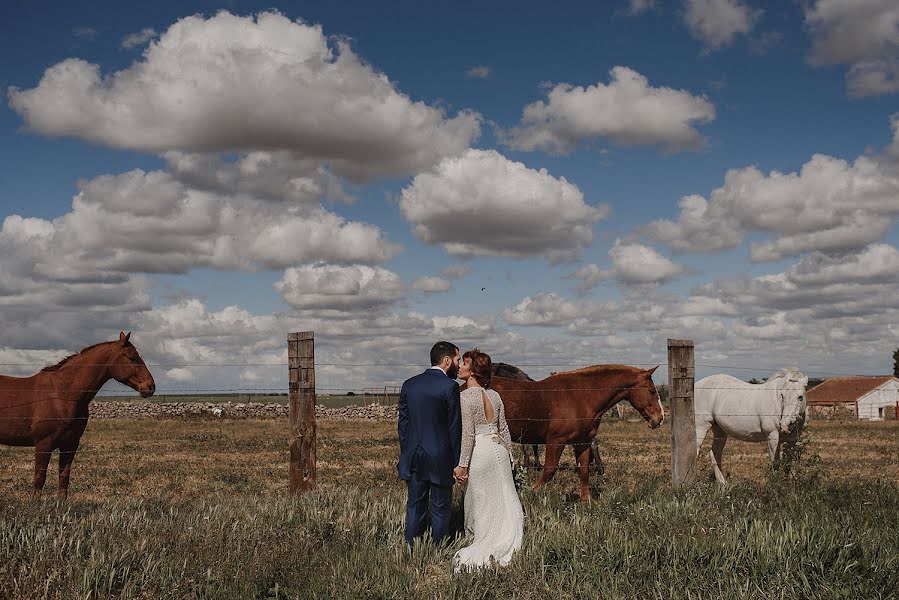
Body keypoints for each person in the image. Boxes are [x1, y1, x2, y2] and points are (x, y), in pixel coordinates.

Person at [453, 348, 524, 572]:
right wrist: (510, 454)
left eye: (464, 364)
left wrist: (462, 464)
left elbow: (468, 434)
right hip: (499, 451)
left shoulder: (465, 396)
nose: (460, 367)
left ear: (473, 371)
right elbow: (503, 428)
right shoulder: (494, 395)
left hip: (481, 451)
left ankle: (483, 537)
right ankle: (507, 533)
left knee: (481, 497)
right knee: (502, 494)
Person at [397, 341, 463, 547]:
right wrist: (457, 461)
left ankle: (410, 546)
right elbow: (454, 428)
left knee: (415, 504)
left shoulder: (409, 384)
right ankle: (438, 547)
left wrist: (406, 454)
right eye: (457, 360)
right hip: (440, 456)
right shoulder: (450, 387)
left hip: (414, 454)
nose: (459, 365)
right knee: (441, 506)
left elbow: (403, 425)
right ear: (446, 361)